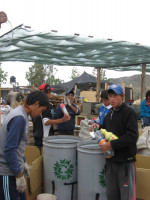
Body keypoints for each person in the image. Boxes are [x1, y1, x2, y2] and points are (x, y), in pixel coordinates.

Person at [90, 84, 138, 200]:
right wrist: (97, 126)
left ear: (122, 96)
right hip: (111, 161)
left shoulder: (129, 113)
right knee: (112, 195)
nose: (111, 99)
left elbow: (132, 136)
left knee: (126, 195)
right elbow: (105, 130)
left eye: (115, 96)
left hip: (125, 162)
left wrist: (111, 145)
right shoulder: (109, 114)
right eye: (110, 96)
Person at [0, 90, 50, 200]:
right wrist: (18, 174)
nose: (40, 114)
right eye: (41, 111)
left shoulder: (23, 115)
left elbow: (18, 146)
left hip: (15, 169)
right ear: (36, 104)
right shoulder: (19, 118)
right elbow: (9, 150)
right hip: (8, 173)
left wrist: (23, 162)